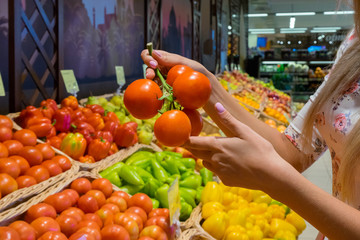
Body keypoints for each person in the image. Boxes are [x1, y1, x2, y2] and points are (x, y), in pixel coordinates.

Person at [141, 1, 360, 238]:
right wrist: (205, 85)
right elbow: (293, 152)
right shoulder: (353, 42)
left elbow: (283, 168)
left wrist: (276, 182)